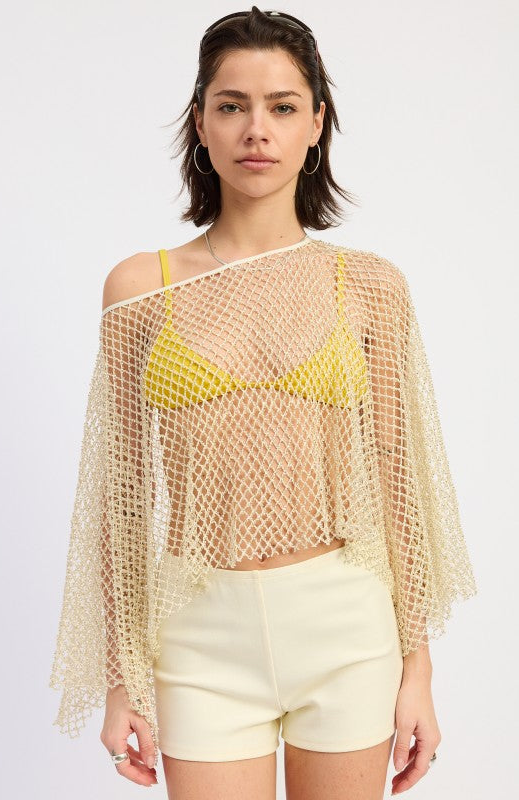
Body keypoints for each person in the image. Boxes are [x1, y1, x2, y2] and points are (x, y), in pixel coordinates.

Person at [49, 7, 477, 799]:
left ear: (315, 124)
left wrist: (416, 670)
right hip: (198, 635)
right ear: (200, 123)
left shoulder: (369, 285)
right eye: (231, 105)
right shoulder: (140, 288)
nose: (256, 129)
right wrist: (121, 679)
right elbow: (121, 499)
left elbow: (400, 487)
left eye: (282, 107)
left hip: (346, 628)